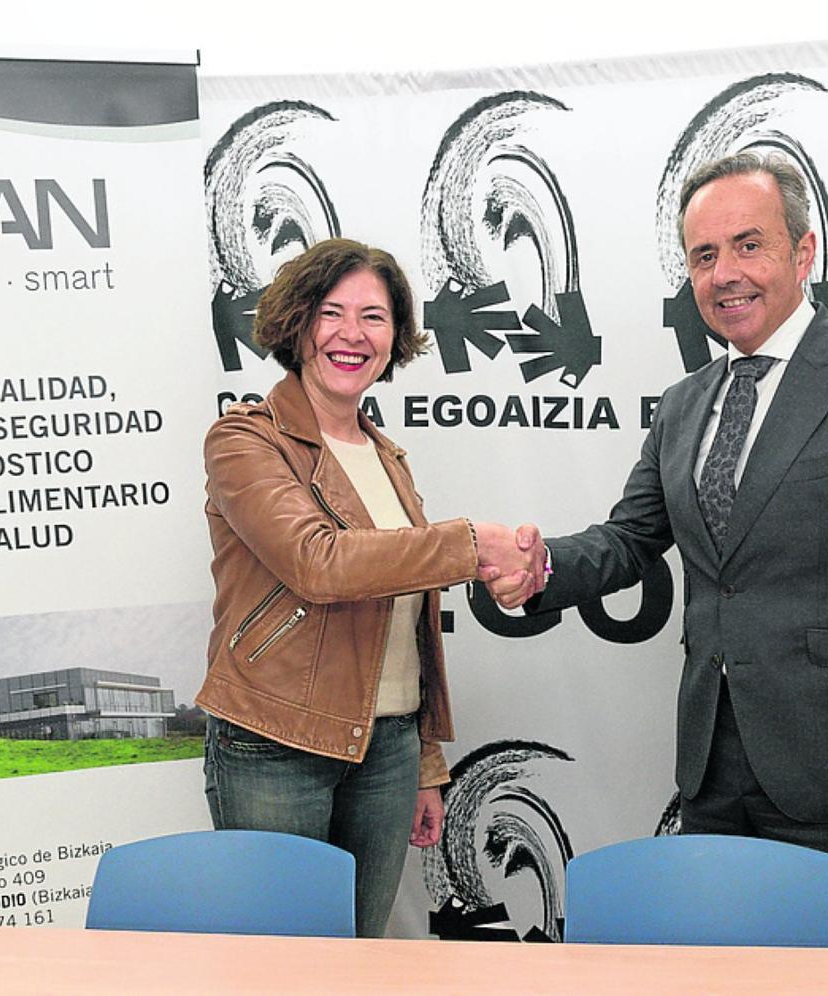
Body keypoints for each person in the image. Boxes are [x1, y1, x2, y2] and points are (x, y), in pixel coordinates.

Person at [484, 152, 828, 947]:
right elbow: (630, 539)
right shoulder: (685, 403)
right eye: (704, 256)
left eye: (748, 245)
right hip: (711, 767)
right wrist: (541, 567)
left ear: (802, 254)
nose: (725, 274)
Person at [197, 237, 538, 937]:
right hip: (277, 744)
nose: (352, 334)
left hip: (386, 750)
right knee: (283, 966)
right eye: (332, 312)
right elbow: (319, 564)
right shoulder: (244, 440)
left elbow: (405, 621)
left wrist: (425, 760)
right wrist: (471, 544)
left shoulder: (387, 457)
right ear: (297, 323)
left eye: (374, 317)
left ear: (395, 338)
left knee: (361, 958)